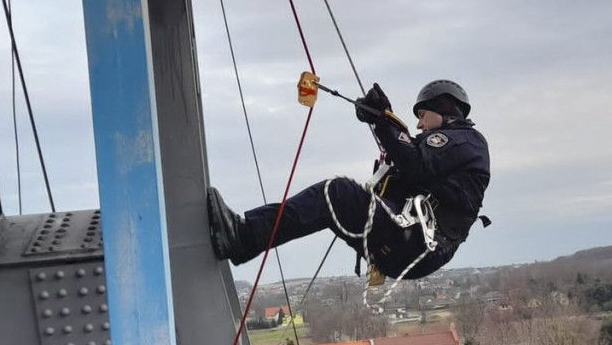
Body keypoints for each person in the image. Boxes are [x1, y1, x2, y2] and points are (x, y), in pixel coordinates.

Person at [208, 79, 490, 279]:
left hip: (419, 243)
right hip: (410, 244)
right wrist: (381, 122)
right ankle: (244, 238)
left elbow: (415, 161)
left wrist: (383, 120)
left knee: (336, 193)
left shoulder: (467, 141)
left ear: (445, 108)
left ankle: (244, 237)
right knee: (333, 203)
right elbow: (409, 164)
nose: (418, 124)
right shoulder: (450, 150)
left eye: (423, 115)